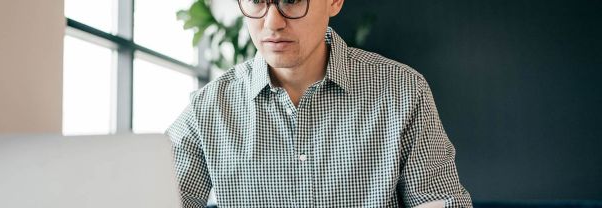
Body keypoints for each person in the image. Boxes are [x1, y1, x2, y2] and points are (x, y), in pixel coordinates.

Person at [166, 0, 472, 207]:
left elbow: (439, 200)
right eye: (257, 0)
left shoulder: (403, 92)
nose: (272, 23)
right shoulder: (208, 109)